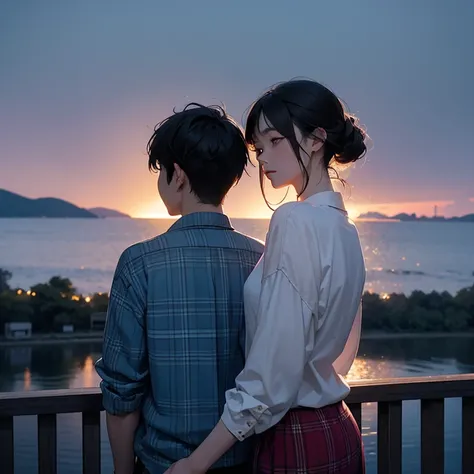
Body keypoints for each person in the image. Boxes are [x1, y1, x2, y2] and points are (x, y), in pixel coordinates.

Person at [166, 80, 368, 474]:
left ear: (316, 139)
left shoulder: (295, 219)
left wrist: (196, 462)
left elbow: (271, 377)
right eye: (259, 148)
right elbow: (341, 355)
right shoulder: (344, 227)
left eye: (274, 141)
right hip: (338, 428)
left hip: (295, 439)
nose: (263, 158)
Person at [95, 103, 264, 474]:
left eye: (161, 172)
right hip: (246, 462)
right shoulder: (264, 259)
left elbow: (122, 391)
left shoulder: (140, 262)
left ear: (179, 176)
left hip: (163, 465)